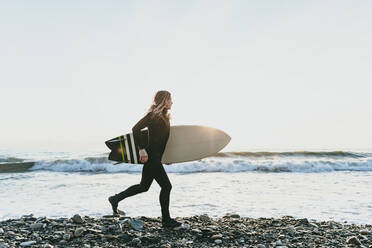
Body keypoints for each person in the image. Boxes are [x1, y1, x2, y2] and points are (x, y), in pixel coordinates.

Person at [108, 90, 182, 228]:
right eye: (170, 99)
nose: (172, 102)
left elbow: (161, 141)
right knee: (166, 186)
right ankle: (166, 220)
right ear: (164, 100)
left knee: (144, 187)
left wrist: (165, 157)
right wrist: (142, 149)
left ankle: (115, 199)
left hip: (156, 157)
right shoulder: (153, 116)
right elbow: (136, 128)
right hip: (151, 156)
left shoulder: (165, 117)